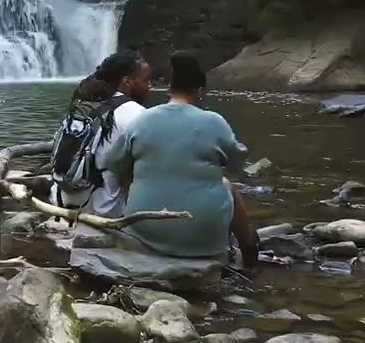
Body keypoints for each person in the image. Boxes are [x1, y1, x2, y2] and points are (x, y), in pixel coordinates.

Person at [101, 51, 258, 267]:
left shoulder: (142, 120)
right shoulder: (215, 122)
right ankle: (249, 251)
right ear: (199, 90)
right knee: (227, 185)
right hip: (203, 241)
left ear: (168, 89)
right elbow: (236, 163)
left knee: (130, 174)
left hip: (144, 233)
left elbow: (114, 164)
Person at [50, 51, 151, 218]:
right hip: (104, 208)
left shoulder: (83, 104)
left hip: (60, 199)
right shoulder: (138, 114)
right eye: (146, 80)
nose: (149, 86)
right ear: (127, 81)